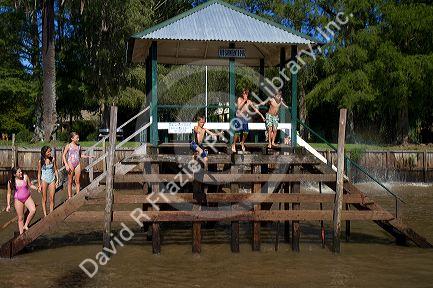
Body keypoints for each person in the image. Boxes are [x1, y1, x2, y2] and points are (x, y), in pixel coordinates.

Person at [231, 88, 265, 153]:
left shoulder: (249, 101)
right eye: (244, 94)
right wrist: (244, 100)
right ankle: (234, 144)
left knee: (246, 132)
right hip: (238, 118)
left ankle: (242, 142)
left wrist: (262, 116)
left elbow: (255, 109)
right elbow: (239, 107)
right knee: (237, 133)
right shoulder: (239, 99)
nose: (245, 95)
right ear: (242, 94)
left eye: (246, 94)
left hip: (244, 118)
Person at [6, 167, 37, 234]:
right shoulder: (11, 181)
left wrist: (37, 188)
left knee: (33, 210)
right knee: (20, 218)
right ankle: (21, 234)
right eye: (19, 172)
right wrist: (8, 205)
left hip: (27, 198)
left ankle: (26, 225)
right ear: (15, 174)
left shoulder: (25, 177)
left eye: (21, 171)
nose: (21, 173)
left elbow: (30, 185)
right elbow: (9, 193)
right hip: (18, 200)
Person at [62, 132, 92, 199]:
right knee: (70, 181)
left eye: (78, 138)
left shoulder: (79, 146)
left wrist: (88, 156)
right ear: (72, 138)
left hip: (77, 163)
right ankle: (70, 197)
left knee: (77, 181)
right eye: (77, 138)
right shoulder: (68, 146)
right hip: (70, 163)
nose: (78, 139)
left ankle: (78, 196)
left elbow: (80, 155)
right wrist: (66, 165)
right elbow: (63, 155)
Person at [37, 146, 59, 216]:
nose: (50, 153)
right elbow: (39, 173)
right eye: (48, 152)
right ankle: (45, 215)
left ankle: (51, 214)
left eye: (50, 151)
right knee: (44, 199)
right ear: (44, 152)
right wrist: (39, 184)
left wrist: (57, 179)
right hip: (44, 180)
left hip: (52, 179)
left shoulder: (53, 159)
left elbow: (55, 170)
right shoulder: (41, 161)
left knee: (52, 198)